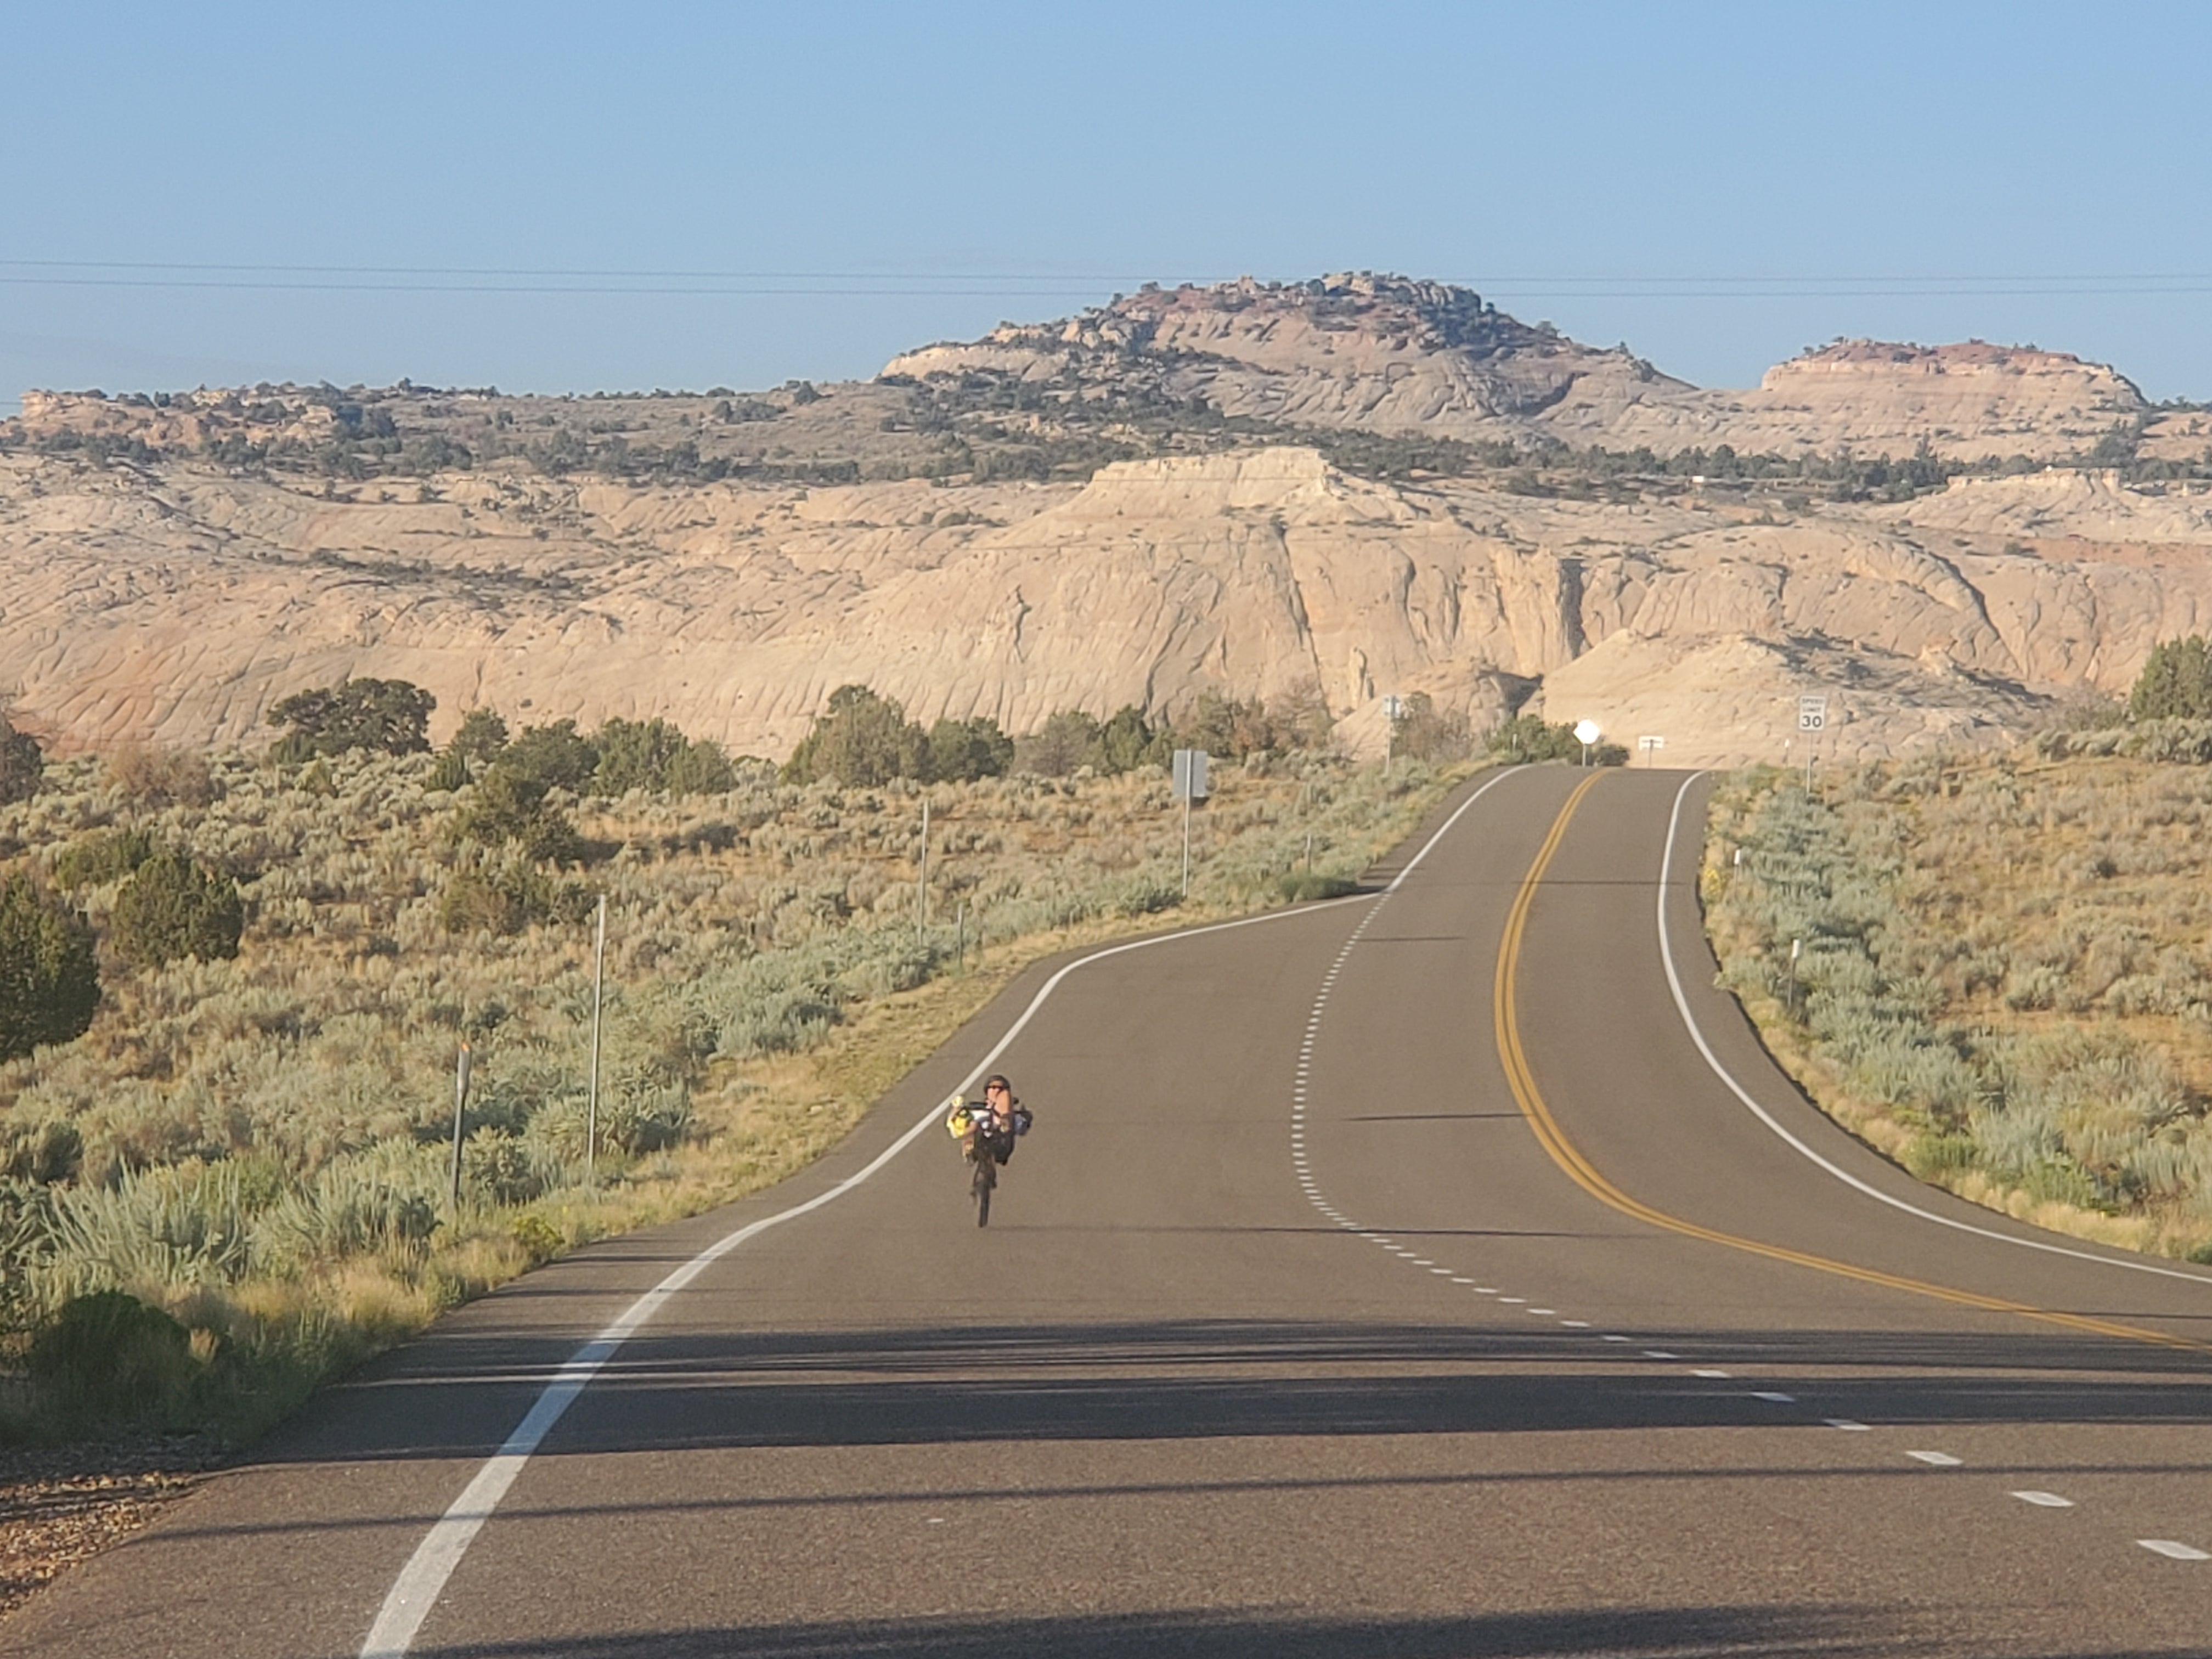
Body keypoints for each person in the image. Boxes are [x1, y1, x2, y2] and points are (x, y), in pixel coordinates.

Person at [945, 1074, 1031, 1166]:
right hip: (982, 1139)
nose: (996, 1091)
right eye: (993, 1088)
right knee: (972, 1123)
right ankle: (969, 1149)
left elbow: (1022, 1126)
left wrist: (1013, 1120)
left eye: (1000, 1088)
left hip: (1001, 1144)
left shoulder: (1014, 1117)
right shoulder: (979, 1111)